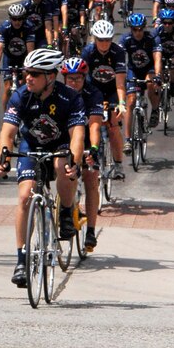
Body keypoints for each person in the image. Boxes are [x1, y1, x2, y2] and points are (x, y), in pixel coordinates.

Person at [0, 49, 84, 287]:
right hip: (31, 145)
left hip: (60, 144)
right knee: (25, 196)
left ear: (51, 77)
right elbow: (7, 132)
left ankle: (66, 212)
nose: (28, 78)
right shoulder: (20, 96)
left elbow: (77, 135)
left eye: (34, 74)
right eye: (26, 72)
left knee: (62, 164)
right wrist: (3, 158)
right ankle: (21, 261)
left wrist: (74, 162)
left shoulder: (70, 98)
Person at [60, 57, 103, 248]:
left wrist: (93, 148)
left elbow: (94, 125)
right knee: (64, 170)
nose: (74, 82)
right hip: (64, 138)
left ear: (85, 77)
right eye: (70, 78)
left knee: (91, 179)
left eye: (78, 78)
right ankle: (66, 210)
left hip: (87, 139)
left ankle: (91, 231)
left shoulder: (93, 93)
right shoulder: (58, 93)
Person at [82, 20, 127, 179]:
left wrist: (121, 103)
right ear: (94, 38)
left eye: (108, 39)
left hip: (112, 91)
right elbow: (83, 79)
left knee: (113, 127)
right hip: (94, 90)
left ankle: (119, 164)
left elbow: (120, 82)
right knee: (90, 123)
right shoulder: (87, 52)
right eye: (101, 39)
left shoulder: (118, 52)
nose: (104, 43)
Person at [120, 14, 161, 149]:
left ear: (144, 28)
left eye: (140, 29)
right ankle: (127, 140)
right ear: (131, 29)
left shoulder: (152, 38)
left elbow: (157, 57)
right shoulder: (125, 39)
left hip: (148, 69)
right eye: (134, 30)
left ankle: (155, 110)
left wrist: (158, 75)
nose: (137, 33)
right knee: (130, 101)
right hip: (133, 70)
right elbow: (120, 58)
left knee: (150, 84)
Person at [0, 3, 36, 107]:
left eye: (20, 19)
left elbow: (30, 51)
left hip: (23, 57)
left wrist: (28, 67)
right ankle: (6, 116)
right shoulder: (4, 27)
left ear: (24, 18)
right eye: (14, 19)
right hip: (9, 58)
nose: (17, 22)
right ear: (10, 18)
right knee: (7, 88)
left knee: (25, 84)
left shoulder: (28, 27)